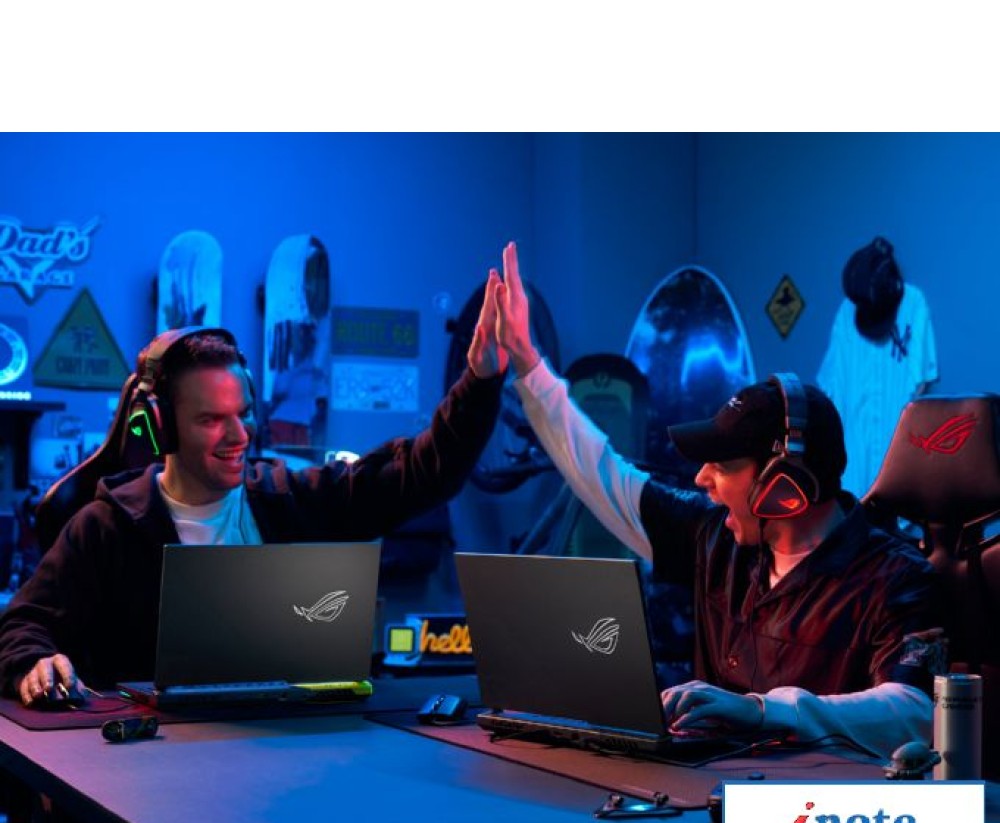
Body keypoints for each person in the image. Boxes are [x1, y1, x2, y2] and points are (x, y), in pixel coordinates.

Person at [490, 241, 942, 759]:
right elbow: (603, 474)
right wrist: (527, 364)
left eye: (723, 466)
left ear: (785, 486)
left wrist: (765, 710)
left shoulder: (897, 578)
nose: (701, 478)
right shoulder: (714, 536)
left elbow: (915, 710)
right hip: (704, 796)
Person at [0, 268, 509, 707]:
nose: (239, 435)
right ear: (160, 427)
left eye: (243, 414)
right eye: (211, 420)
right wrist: (34, 663)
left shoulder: (289, 501)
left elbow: (422, 472)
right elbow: (21, 628)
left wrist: (481, 378)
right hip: (152, 761)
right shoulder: (106, 527)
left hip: (288, 753)